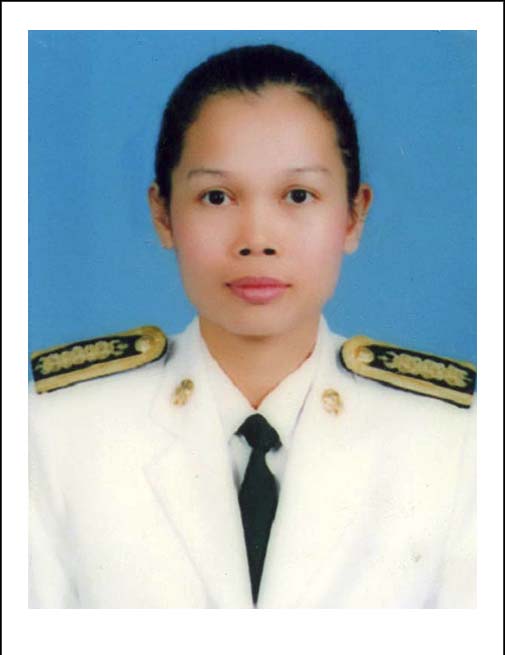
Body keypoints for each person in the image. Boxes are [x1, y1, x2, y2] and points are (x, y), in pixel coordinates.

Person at [29, 44, 476, 609]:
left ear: (353, 215)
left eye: (298, 195)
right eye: (216, 197)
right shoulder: (54, 430)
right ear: (163, 214)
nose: (257, 238)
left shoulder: (456, 439)